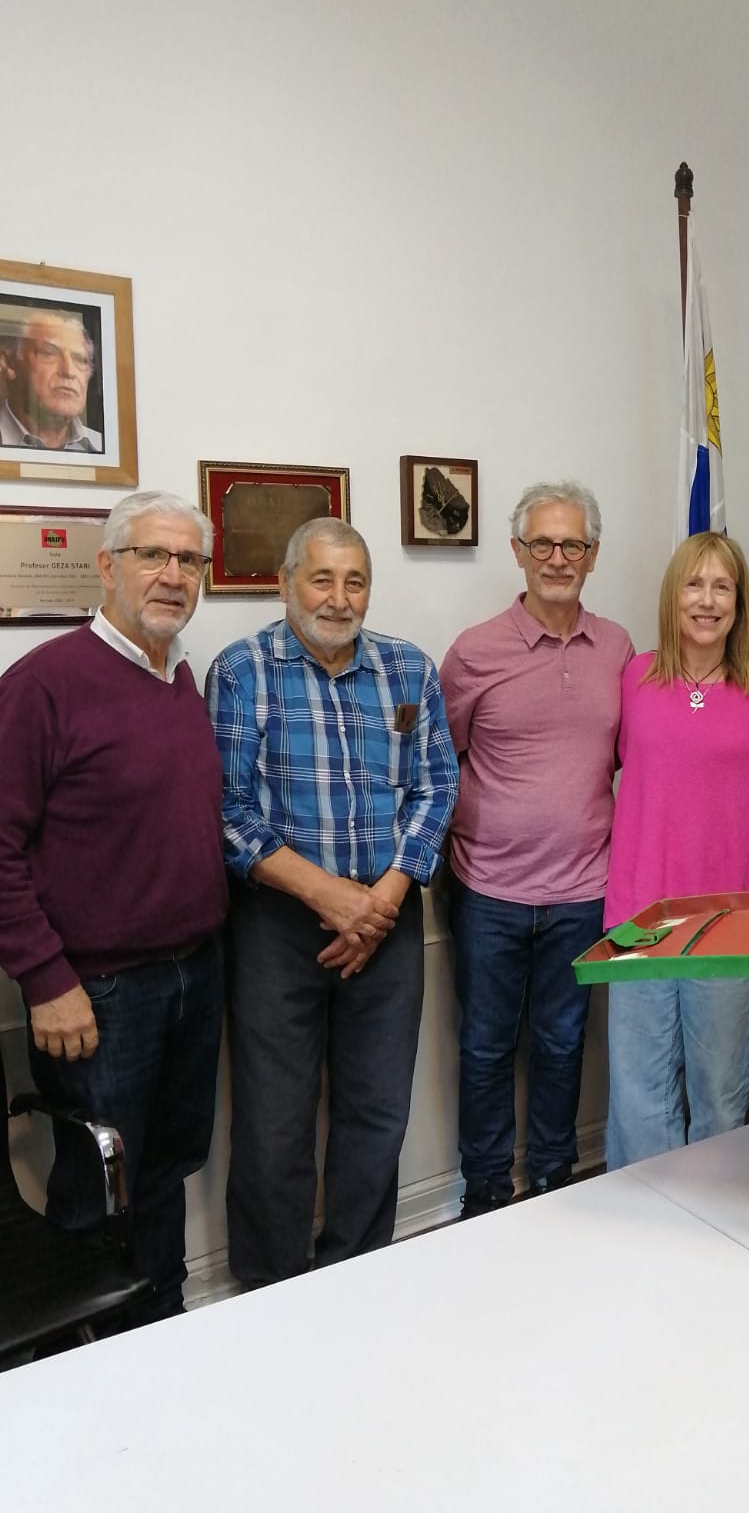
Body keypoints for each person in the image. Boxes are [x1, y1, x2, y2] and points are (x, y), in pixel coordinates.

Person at [206, 517, 458, 1286]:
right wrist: (329, 897)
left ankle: (357, 1278)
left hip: (388, 919)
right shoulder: (242, 671)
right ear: (285, 583)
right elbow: (226, 809)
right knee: (274, 1121)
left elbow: (436, 787)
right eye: (321, 579)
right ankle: (272, 1290)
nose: (339, 598)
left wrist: (382, 899)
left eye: (355, 582)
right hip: (278, 925)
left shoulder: (408, 671)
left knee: (377, 1112)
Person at [0, 490, 227, 1323]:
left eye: (189, 560)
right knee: (97, 1185)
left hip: (194, 974)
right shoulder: (43, 685)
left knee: (164, 1170)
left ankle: (159, 1325)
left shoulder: (180, 677)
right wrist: (44, 978)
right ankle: (85, 1351)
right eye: (152, 555)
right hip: (97, 995)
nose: (173, 574)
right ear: (107, 566)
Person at [440, 481, 634, 1217]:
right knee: (485, 1048)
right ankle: (486, 1193)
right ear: (518, 552)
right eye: (543, 543)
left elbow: (649, 739)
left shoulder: (618, 649)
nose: (558, 558)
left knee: (562, 1043)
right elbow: (440, 760)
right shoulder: (474, 652)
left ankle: (554, 1181)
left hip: (585, 891)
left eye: (573, 544)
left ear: (593, 555)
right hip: (487, 891)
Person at [604, 532, 749, 1169]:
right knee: (639, 1097)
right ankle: (645, 1215)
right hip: (641, 917)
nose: (707, 601)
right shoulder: (634, 678)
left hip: (732, 923)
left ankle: (712, 1213)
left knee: (718, 1095)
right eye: (694, 584)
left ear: (740, 603)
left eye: (722, 587)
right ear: (672, 595)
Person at [0, 309, 103, 452]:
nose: (68, 371)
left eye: (79, 359)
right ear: (10, 363)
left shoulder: (104, 447)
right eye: (49, 353)